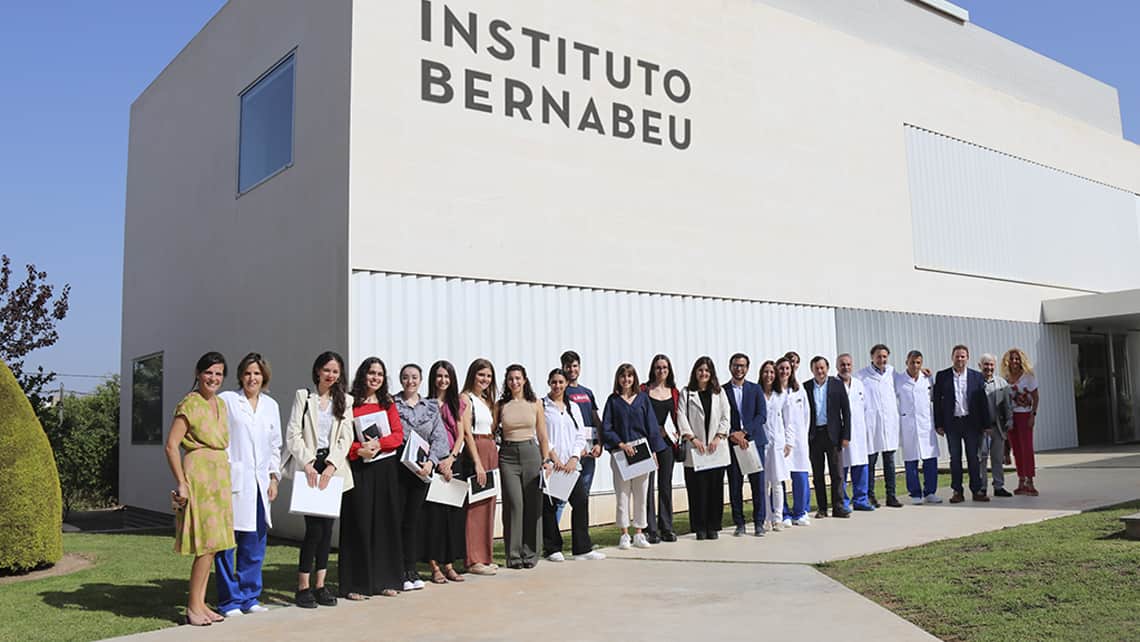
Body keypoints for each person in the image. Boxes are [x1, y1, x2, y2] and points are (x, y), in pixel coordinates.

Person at [165, 352, 234, 626]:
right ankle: (192, 607)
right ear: (198, 373)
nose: (213, 378)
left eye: (218, 373)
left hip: (219, 475)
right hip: (199, 475)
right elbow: (171, 446)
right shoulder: (189, 404)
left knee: (215, 545)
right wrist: (181, 481)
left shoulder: (221, 404)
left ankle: (201, 603)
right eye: (209, 372)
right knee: (205, 545)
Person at [283, 351, 357, 607]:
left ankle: (321, 585)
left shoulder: (346, 401)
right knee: (313, 531)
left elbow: (345, 437)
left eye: (336, 371)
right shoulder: (304, 397)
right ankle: (303, 586)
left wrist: (332, 464)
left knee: (327, 531)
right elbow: (293, 434)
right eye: (327, 370)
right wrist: (308, 462)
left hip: (332, 472)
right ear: (317, 371)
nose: (331, 375)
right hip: (309, 469)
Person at [215, 353, 281, 617]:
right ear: (240, 376)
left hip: (260, 483)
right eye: (247, 373)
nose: (252, 378)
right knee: (227, 544)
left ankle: (249, 597)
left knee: (254, 544)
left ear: (264, 376)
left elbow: (275, 444)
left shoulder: (271, 405)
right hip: (232, 481)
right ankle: (229, 601)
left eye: (257, 373)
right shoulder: (228, 401)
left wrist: (274, 478)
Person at [337, 357, 404, 600]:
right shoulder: (350, 402)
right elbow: (342, 436)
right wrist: (358, 450)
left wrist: (378, 444)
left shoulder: (388, 403)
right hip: (360, 469)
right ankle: (355, 584)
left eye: (380, 374)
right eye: (371, 373)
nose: (375, 377)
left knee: (385, 523)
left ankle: (385, 580)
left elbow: (398, 436)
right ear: (363, 374)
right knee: (359, 523)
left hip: (384, 468)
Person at [394, 364, 449, 590]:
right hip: (397, 468)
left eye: (414, 377)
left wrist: (431, 461)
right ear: (400, 380)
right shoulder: (392, 404)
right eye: (406, 377)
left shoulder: (431, 407)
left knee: (413, 521)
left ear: (420, 380)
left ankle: (411, 568)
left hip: (421, 469)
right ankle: (398, 570)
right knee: (397, 520)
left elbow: (440, 438)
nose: (410, 381)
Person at [603, 363, 667, 549]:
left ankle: (639, 533)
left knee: (641, 494)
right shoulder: (613, 401)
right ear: (618, 379)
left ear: (634, 378)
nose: (626, 380)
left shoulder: (643, 399)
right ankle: (624, 533)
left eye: (629, 376)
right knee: (622, 495)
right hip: (621, 453)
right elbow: (607, 428)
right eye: (623, 376)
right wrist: (621, 444)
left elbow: (652, 427)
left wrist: (654, 452)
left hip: (641, 451)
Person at [542, 368, 604, 561]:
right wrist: (554, 459)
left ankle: (582, 549)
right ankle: (553, 548)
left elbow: (580, 435)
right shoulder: (542, 406)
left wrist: (574, 458)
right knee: (550, 507)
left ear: (566, 384)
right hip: (552, 466)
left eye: (561, 382)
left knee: (580, 502)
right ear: (549, 383)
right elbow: (541, 435)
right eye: (554, 382)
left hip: (571, 466)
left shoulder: (573, 407)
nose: (557, 385)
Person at [496, 364, 551, 569]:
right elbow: (492, 430)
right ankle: (513, 555)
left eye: (518, 378)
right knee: (514, 504)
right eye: (511, 379)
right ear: (506, 382)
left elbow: (543, 435)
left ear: (524, 380)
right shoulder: (501, 404)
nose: (515, 382)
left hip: (531, 453)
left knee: (532, 504)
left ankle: (531, 553)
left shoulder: (535, 403)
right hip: (508, 456)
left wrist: (546, 460)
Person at [422, 360, 469, 582]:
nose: (443, 380)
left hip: (452, 462)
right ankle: (434, 566)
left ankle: (449, 564)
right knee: (433, 518)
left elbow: (460, 435)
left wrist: (451, 459)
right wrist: (437, 460)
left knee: (451, 516)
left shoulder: (456, 403)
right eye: (439, 376)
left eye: (447, 377)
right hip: (431, 462)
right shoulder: (426, 404)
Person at [676, 356, 731, 540]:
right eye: (700, 370)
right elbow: (681, 416)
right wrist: (692, 438)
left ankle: (713, 526)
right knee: (697, 489)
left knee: (715, 488)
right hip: (696, 448)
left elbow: (726, 416)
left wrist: (718, 437)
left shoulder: (719, 392)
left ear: (711, 373)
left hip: (715, 448)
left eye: (707, 370)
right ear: (695, 372)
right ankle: (699, 527)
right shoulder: (687, 392)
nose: (704, 373)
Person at [933, 345, 992, 503]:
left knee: (973, 457)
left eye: (963, 356)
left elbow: (982, 402)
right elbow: (937, 402)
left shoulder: (976, 376)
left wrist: (986, 424)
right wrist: (938, 423)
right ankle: (957, 491)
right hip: (952, 423)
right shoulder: (942, 376)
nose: (960, 359)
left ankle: (977, 490)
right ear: (952, 357)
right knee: (955, 458)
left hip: (971, 423)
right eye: (957, 356)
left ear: (968, 358)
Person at [460, 358, 499, 576]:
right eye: (481, 374)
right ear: (473, 375)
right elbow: (466, 431)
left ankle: (485, 556)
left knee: (489, 503)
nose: (485, 379)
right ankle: (473, 559)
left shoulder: (486, 400)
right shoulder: (466, 398)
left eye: (488, 376)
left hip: (490, 448)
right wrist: (477, 462)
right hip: (477, 448)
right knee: (475, 506)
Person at [724, 353, 768, 536]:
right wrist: (733, 434)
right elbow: (720, 416)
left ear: (747, 368)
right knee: (735, 486)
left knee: (758, 485)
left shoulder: (755, 389)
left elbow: (761, 415)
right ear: (730, 367)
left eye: (742, 366)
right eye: (735, 365)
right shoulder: (722, 390)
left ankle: (759, 522)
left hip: (753, 443)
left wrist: (745, 432)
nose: (739, 369)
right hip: (733, 443)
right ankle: (739, 523)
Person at [803, 356, 851, 519]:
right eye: (817, 368)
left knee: (837, 473)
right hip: (815, 435)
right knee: (817, 474)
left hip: (834, 436)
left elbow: (846, 412)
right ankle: (822, 508)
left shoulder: (837, 385)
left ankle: (838, 506)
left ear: (827, 368)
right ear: (812, 370)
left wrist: (846, 435)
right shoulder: (806, 387)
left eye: (822, 368)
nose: (820, 371)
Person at [856, 344, 903, 508]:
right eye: (878, 356)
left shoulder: (891, 372)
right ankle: (870, 495)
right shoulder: (862, 375)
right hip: (872, 424)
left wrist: (923, 373)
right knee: (871, 461)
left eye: (884, 356)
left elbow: (906, 382)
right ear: (872, 357)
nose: (881, 359)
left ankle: (891, 496)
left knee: (889, 461)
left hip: (889, 422)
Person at [643, 354, 681, 543]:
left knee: (665, 485)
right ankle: (651, 529)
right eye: (658, 368)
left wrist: (674, 433)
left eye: (665, 368)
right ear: (653, 369)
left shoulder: (674, 392)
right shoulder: (644, 390)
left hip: (667, 444)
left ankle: (667, 527)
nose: (661, 371)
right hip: (648, 444)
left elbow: (678, 417)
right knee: (647, 487)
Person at [895, 351, 940, 505]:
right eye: (912, 362)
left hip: (926, 424)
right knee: (911, 460)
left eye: (918, 362)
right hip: (908, 425)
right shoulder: (899, 380)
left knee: (930, 459)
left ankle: (930, 492)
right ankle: (915, 493)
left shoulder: (927, 379)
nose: (915, 365)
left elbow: (934, 398)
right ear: (906, 362)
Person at [561, 351, 603, 511]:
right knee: (561, 497)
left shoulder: (587, 392)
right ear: (563, 367)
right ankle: (552, 536)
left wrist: (600, 444)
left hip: (590, 452)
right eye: (568, 366)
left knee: (583, 497)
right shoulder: (561, 391)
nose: (572, 369)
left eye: (575, 365)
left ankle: (581, 535)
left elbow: (596, 420)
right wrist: (577, 449)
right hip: (572, 453)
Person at [836, 353, 874, 512]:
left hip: (859, 432)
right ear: (837, 366)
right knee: (841, 468)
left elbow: (866, 408)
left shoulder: (859, 384)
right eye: (843, 364)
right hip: (841, 433)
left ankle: (860, 499)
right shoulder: (833, 384)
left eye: (848, 364)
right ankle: (843, 500)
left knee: (861, 466)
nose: (846, 367)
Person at [777, 357, 811, 526]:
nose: (784, 372)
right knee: (779, 476)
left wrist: (801, 436)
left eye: (787, 369)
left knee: (800, 474)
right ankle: (783, 513)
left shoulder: (799, 389)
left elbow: (806, 414)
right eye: (781, 368)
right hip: (779, 440)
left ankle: (800, 512)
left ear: (792, 371)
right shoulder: (773, 391)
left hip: (798, 440)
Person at [1002, 348, 1040, 496]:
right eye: (1012, 359)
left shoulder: (1028, 377)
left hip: (1025, 416)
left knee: (1027, 449)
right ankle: (1021, 480)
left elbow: (1036, 397)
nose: (1014, 361)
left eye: (1017, 359)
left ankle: (1030, 481)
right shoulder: (1006, 378)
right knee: (1016, 449)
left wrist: (1033, 415)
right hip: (1012, 417)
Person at [758, 360, 791, 532]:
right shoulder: (756, 393)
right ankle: (766, 518)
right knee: (763, 483)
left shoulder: (782, 394)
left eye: (772, 372)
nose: (769, 375)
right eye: (766, 372)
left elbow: (788, 420)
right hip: (762, 443)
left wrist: (788, 442)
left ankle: (778, 517)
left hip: (777, 443)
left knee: (777, 481)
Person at [979, 354, 1014, 498]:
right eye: (986, 364)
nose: (989, 368)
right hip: (981, 429)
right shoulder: (975, 382)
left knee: (997, 458)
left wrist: (1009, 420)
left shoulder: (1002, 384)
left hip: (997, 427)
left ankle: (999, 486)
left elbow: (1008, 404)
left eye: (991, 364)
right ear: (980, 366)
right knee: (981, 458)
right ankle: (981, 487)